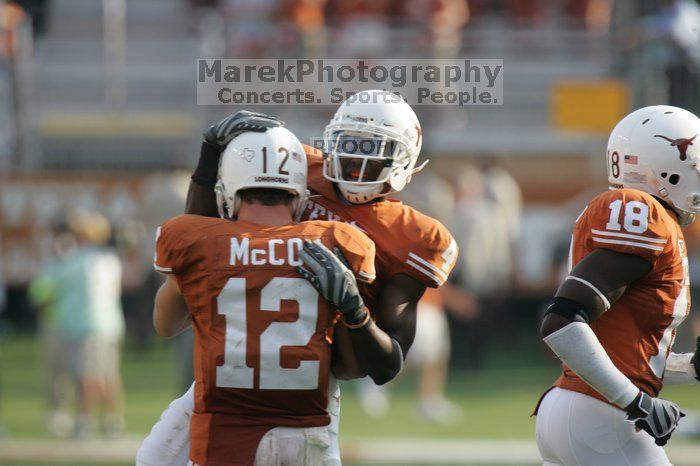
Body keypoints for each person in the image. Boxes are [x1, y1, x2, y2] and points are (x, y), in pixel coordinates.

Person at [136, 91, 458, 465]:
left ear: (402, 160)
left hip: (310, 372)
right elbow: (208, 234)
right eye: (348, 146)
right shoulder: (298, 162)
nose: (356, 162)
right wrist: (212, 156)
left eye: (372, 151)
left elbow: (387, 365)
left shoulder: (413, 236)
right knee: (153, 458)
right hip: (239, 354)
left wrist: (353, 309)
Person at [152, 125, 377, 465]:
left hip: (226, 429)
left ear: (227, 188)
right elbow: (354, 362)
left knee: (151, 458)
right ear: (298, 191)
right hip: (307, 429)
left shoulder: (198, 239)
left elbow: (165, 325)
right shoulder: (336, 240)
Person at [536, 105, 700, 465]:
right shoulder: (642, 213)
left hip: (579, 410)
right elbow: (562, 321)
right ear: (668, 171)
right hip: (602, 416)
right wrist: (634, 400)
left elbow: (621, 351)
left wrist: (688, 366)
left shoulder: (652, 221)